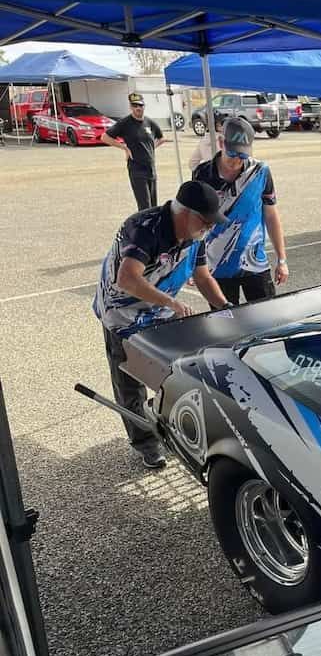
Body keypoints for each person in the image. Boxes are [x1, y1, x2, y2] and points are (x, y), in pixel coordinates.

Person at [93, 180, 229, 469]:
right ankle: (145, 443)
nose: (209, 229)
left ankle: (176, 430)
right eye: (205, 222)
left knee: (173, 372)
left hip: (158, 310)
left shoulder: (195, 236)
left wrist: (225, 307)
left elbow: (203, 277)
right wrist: (171, 303)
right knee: (131, 381)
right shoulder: (144, 228)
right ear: (186, 214)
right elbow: (127, 278)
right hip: (123, 314)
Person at [192, 117, 288, 303]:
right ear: (221, 142)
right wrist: (193, 265)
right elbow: (195, 221)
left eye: (242, 155)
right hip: (216, 266)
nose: (236, 161)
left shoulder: (260, 171)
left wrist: (282, 260)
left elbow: (271, 215)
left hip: (255, 263)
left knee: (268, 320)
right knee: (225, 326)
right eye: (232, 153)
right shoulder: (202, 173)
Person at [101, 92, 166, 210]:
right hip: (137, 170)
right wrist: (124, 147)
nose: (138, 108)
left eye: (140, 106)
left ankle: (153, 227)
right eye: (135, 106)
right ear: (130, 107)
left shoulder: (149, 123)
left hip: (151, 169)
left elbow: (161, 138)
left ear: (144, 106)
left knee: (153, 206)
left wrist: (151, 148)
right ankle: (144, 228)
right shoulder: (125, 123)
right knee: (145, 206)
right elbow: (105, 137)